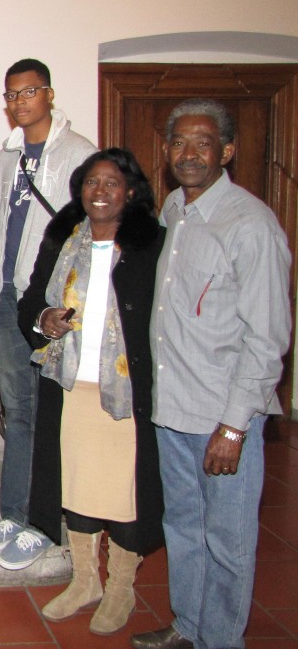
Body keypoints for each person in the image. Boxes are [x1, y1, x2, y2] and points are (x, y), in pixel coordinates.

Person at [130, 99, 291, 649]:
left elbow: (268, 339)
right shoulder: (174, 208)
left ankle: (221, 641)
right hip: (172, 409)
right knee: (183, 529)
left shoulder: (250, 226)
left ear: (227, 151)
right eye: (179, 143)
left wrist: (233, 426)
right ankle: (190, 626)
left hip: (222, 418)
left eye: (203, 143)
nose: (189, 153)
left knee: (227, 540)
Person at [19, 148, 166, 636]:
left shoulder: (151, 246)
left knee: (123, 493)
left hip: (126, 391)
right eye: (90, 183)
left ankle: (120, 586)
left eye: (111, 183)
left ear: (130, 192)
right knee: (77, 485)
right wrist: (44, 319)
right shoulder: (65, 240)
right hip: (71, 382)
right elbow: (32, 299)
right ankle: (86, 581)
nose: (99, 192)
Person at [0, 58, 96, 571]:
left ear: (48, 93)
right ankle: (14, 513)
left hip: (49, 303)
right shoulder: (7, 156)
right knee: (18, 410)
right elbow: (3, 221)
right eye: (12, 95)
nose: (20, 101)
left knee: (50, 414)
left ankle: (46, 524)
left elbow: (86, 235)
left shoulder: (79, 154)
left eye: (29, 92)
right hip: (8, 296)